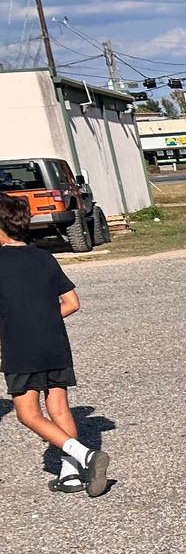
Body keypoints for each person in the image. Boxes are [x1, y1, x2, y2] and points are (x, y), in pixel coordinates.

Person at [0, 193, 108, 495]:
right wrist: (43, 319)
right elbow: (71, 303)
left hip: (21, 347)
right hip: (55, 343)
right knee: (59, 409)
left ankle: (84, 455)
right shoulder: (43, 257)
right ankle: (70, 475)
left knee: (28, 414)